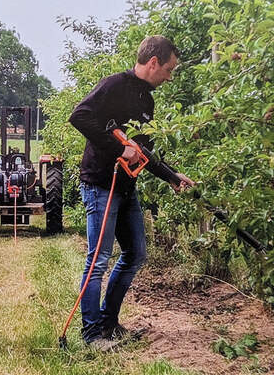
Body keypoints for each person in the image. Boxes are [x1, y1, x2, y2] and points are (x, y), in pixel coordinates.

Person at [68, 35, 195, 350]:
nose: (169, 76)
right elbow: (79, 116)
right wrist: (117, 147)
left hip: (126, 187)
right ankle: (92, 335)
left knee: (136, 253)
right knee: (98, 260)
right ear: (153, 63)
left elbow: (142, 152)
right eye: (168, 69)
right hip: (100, 183)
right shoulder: (114, 85)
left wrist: (170, 176)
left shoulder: (147, 101)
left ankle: (109, 325)